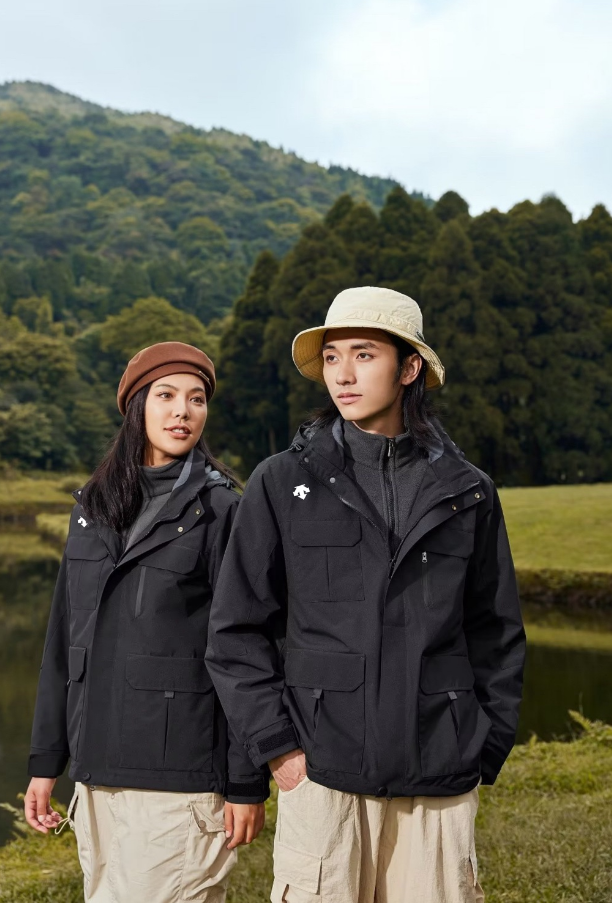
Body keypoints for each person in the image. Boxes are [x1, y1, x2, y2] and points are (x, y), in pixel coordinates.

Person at [206, 287, 526, 903]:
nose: (343, 375)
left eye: (364, 354)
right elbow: (236, 631)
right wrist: (279, 751)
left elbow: (496, 631)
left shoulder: (468, 491)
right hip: (322, 775)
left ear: (409, 369)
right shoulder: (281, 482)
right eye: (332, 358)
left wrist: (482, 745)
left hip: (440, 776)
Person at [25, 341, 268, 903]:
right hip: (96, 776)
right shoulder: (91, 510)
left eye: (197, 399)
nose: (183, 411)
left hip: (180, 778)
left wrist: (245, 781)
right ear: (137, 406)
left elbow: (248, 650)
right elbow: (63, 644)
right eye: (166, 395)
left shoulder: (223, 511)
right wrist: (46, 762)